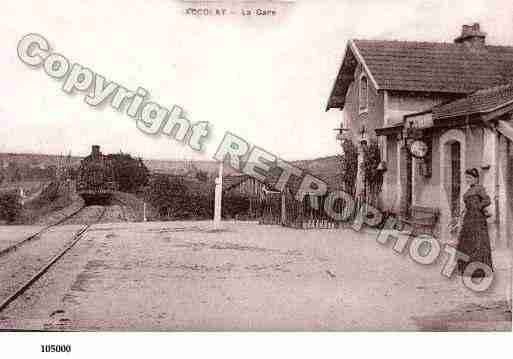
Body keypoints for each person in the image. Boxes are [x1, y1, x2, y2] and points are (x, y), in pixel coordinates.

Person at [456, 168, 494, 278]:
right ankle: (467, 269)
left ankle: (479, 271)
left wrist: (478, 207)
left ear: (476, 178)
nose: (468, 180)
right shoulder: (468, 191)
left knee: (478, 243)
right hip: (468, 219)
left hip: (477, 220)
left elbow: (487, 200)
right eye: (467, 177)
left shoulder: (479, 188)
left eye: (470, 178)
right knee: (467, 243)